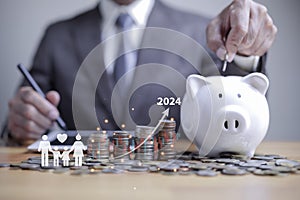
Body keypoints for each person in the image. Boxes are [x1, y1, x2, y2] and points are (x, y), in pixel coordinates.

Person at [4, 0, 277, 145]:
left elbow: (233, 104)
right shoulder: (57, 35)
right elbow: (23, 112)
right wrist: (21, 125)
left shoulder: (202, 32)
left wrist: (243, 49)